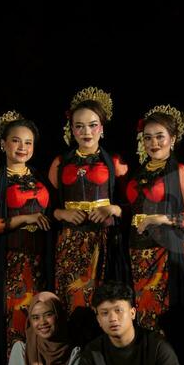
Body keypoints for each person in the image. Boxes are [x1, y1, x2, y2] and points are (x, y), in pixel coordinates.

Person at [0, 111, 52, 365]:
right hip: (13, 263)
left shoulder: (42, 178)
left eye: (29, 143)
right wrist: (23, 219)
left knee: (43, 322)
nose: (23, 148)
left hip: (41, 260)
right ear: (3, 144)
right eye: (16, 141)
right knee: (16, 323)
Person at [48, 87, 128, 338]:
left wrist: (112, 209)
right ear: (71, 129)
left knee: (102, 301)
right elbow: (46, 207)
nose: (86, 132)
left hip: (103, 241)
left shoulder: (115, 162)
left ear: (102, 128)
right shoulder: (60, 163)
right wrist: (61, 214)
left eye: (92, 125)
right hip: (70, 242)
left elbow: (131, 204)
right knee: (71, 299)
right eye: (79, 126)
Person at [125, 105, 184, 345]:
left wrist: (164, 218)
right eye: (148, 138)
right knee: (141, 313)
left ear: (173, 139)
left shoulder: (180, 172)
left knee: (164, 316)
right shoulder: (138, 172)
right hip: (137, 253)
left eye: (160, 136)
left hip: (165, 253)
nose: (154, 143)